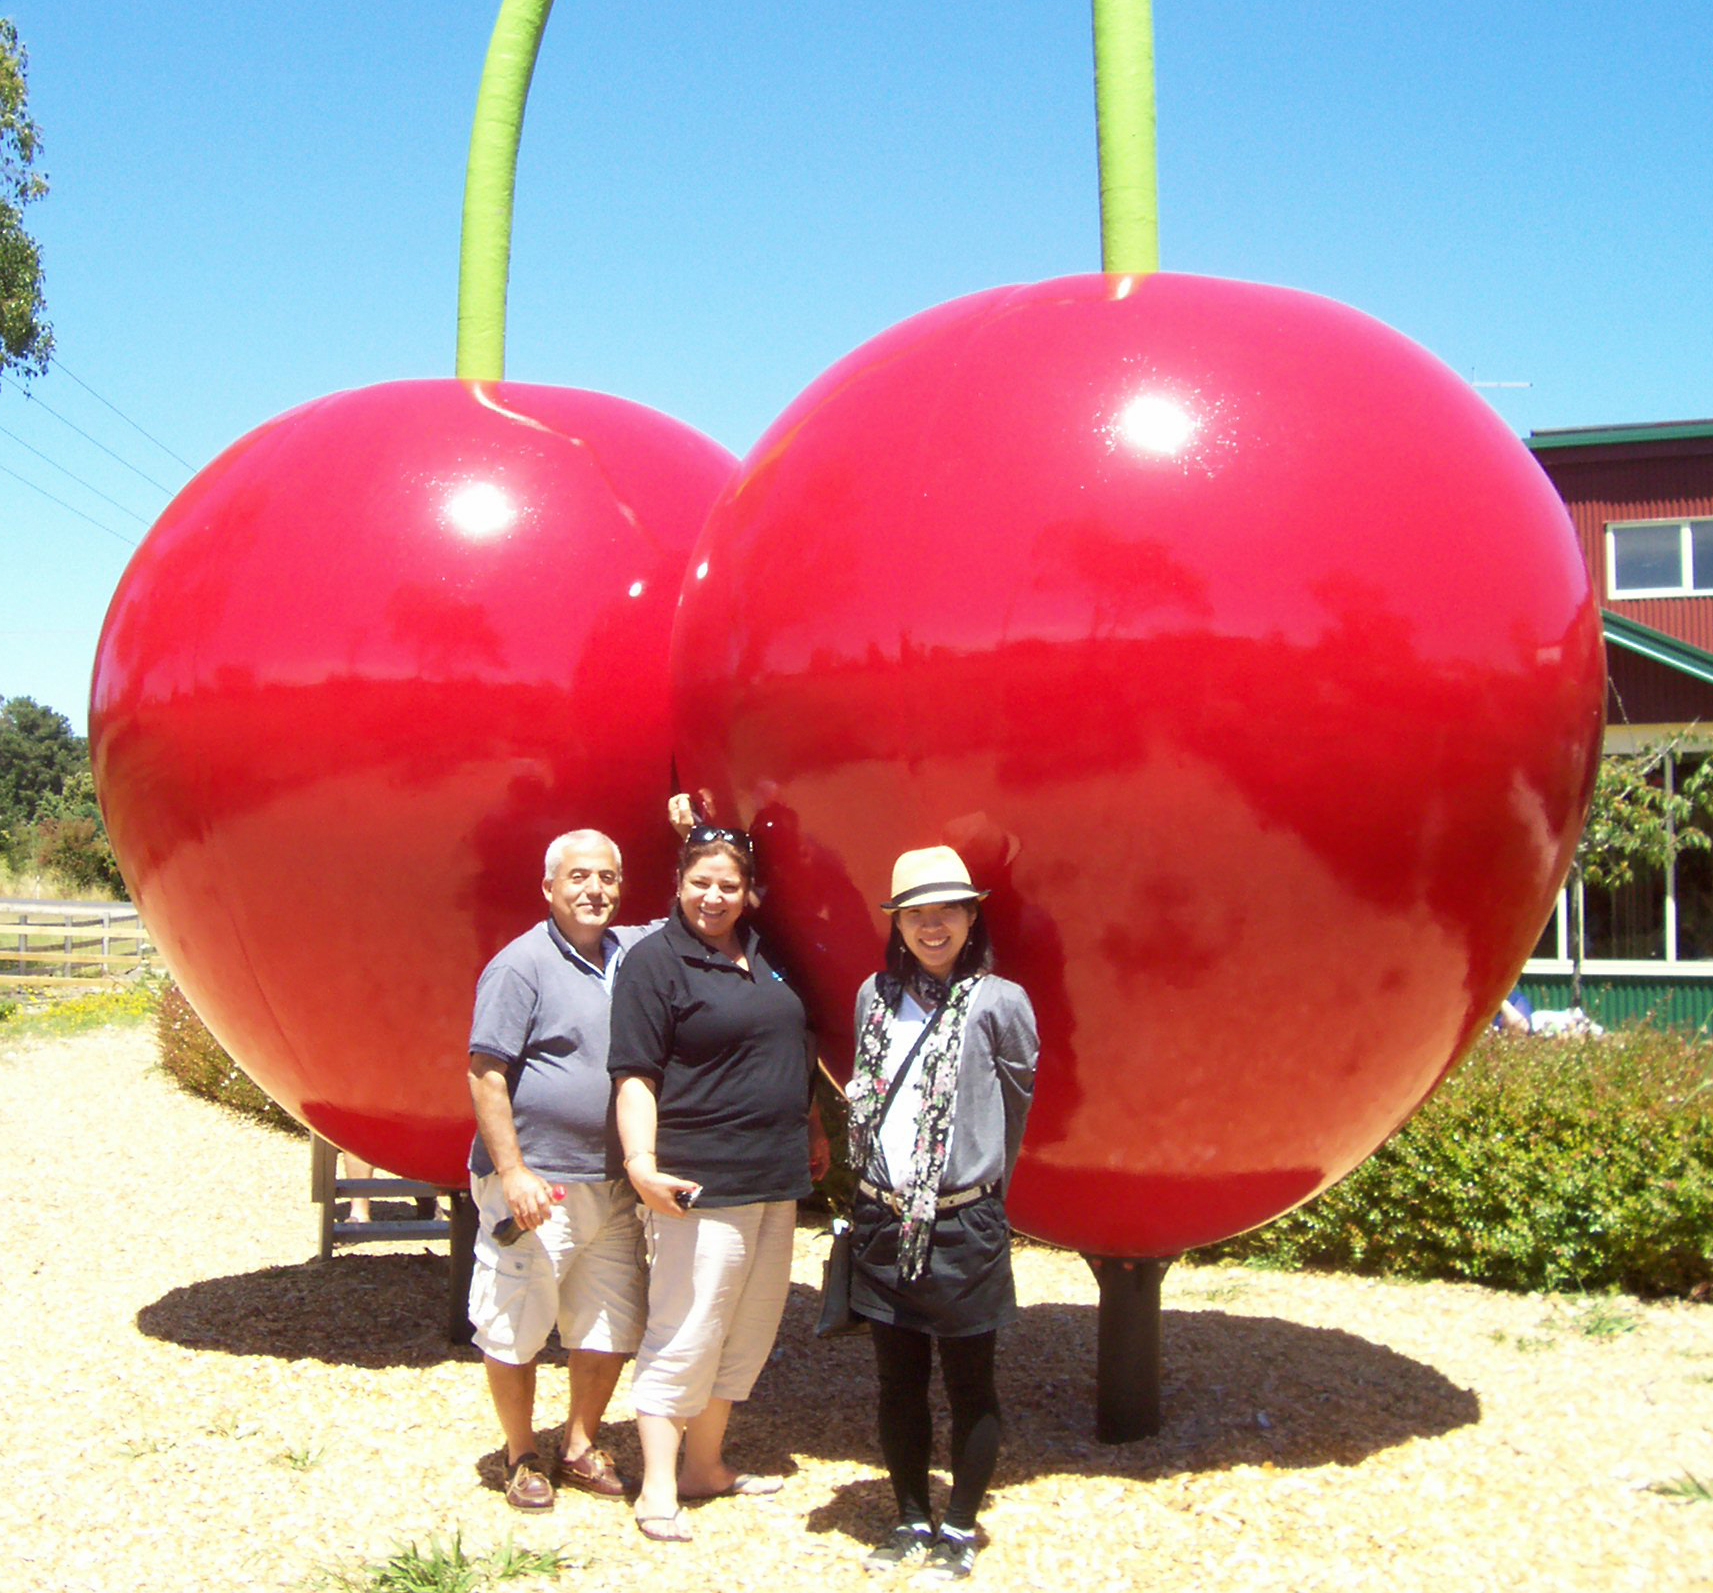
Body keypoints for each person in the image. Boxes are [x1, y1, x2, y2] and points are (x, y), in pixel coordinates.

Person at [609, 822, 829, 1543]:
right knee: (688, 1323)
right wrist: (640, 1162)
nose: (713, 895)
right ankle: (659, 1486)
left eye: (728, 884)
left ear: (748, 892)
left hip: (774, 1173)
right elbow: (634, 1074)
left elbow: (790, 1046)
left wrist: (813, 1124)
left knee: (746, 1328)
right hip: (700, 1177)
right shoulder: (654, 962)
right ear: (678, 881)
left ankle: (705, 1465)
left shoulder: (763, 953)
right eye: (701, 881)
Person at [845, 845, 1038, 1580]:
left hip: (963, 1218)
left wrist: (976, 1180)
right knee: (896, 1380)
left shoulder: (999, 1001)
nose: (931, 926)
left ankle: (959, 1525)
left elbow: (1013, 1104)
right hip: (884, 1216)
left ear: (970, 916)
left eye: (946, 911)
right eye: (915, 913)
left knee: (969, 1380)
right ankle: (906, 1515)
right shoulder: (873, 996)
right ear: (896, 923)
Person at [466, 828, 660, 1512]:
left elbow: (714, 902)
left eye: (607, 877)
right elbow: (486, 1072)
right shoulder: (519, 965)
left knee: (607, 1319)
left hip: (611, 1180)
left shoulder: (632, 952)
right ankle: (521, 1453)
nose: (593, 889)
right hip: (536, 1181)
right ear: (548, 887)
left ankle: (579, 1442)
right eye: (577, 876)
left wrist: (696, 833)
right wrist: (512, 1170)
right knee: (513, 1319)